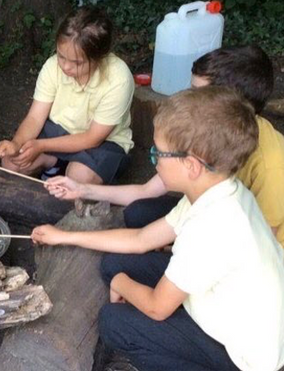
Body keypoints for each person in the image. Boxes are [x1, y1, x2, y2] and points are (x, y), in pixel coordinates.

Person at [32, 86, 284, 371]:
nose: (154, 161)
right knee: (115, 263)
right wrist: (64, 236)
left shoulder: (212, 228)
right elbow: (142, 239)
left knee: (114, 322)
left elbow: (156, 306)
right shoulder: (217, 191)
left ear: (191, 165)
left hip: (243, 358)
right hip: (227, 311)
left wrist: (121, 284)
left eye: (158, 154)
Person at [46, 45, 284, 247]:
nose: (188, 97)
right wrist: (82, 189)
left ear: (229, 103)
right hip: (210, 218)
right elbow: (146, 192)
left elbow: (261, 248)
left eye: (197, 93)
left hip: (244, 247)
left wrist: (180, 252)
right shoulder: (205, 132)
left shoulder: (272, 167)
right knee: (137, 213)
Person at [0, 6, 134, 185]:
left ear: (99, 57)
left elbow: (93, 138)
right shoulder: (52, 67)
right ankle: (55, 162)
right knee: (11, 163)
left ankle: (62, 165)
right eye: (61, 56)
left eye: (77, 62)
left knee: (79, 178)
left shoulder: (118, 78)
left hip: (103, 143)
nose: (66, 67)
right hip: (58, 130)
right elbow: (36, 118)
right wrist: (17, 142)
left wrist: (42, 146)